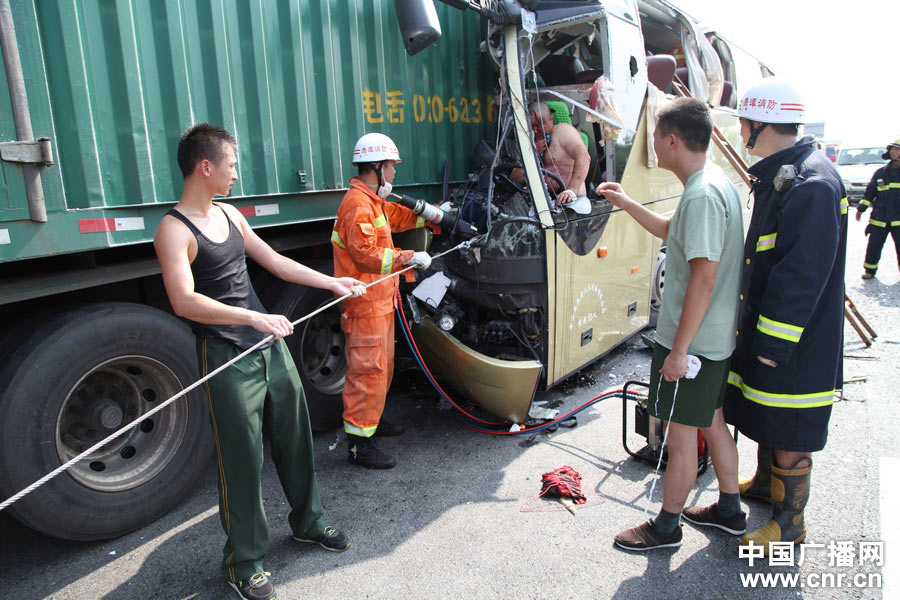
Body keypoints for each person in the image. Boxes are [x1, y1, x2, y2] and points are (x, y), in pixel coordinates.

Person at [154, 124, 365, 600]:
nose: (236, 171)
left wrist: (330, 283)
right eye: (230, 163)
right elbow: (184, 301)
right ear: (205, 167)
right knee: (242, 462)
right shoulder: (173, 230)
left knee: (296, 439)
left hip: (268, 349)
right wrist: (254, 315)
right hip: (226, 357)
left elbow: (273, 261)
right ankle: (244, 562)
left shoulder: (229, 214)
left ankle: (309, 524)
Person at [599, 97, 745, 551]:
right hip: (714, 339)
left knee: (681, 439)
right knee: (711, 421)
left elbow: (704, 277)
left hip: (693, 343)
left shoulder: (701, 194)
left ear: (673, 140)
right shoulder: (713, 183)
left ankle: (665, 527)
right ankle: (730, 509)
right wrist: (625, 202)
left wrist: (679, 351)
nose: (653, 148)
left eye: (655, 139)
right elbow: (671, 231)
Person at [723, 79, 847, 553]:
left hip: (795, 343)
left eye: (742, 124)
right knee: (767, 412)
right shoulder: (786, 173)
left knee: (791, 423)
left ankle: (790, 521)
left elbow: (800, 277)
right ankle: (763, 482)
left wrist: (772, 344)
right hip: (773, 332)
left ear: (758, 125)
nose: (738, 131)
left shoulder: (811, 182)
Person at [331, 132, 433, 469]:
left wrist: (434, 215)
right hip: (364, 307)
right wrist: (409, 256)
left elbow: (397, 217)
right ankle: (359, 445)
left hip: (379, 303)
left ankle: (371, 422)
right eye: (390, 166)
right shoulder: (357, 206)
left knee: (382, 370)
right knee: (367, 373)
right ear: (376, 166)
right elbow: (364, 256)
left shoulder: (372, 201)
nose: (393, 172)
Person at [529, 101, 592, 213]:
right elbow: (516, 177)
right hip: (545, 206)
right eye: (531, 126)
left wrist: (572, 189)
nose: (535, 130)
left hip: (572, 204)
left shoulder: (563, 131)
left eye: (539, 124)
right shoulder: (529, 142)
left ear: (551, 120)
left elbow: (584, 157)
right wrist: (535, 153)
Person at [856, 137, 900, 279]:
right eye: (893, 149)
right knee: (874, 246)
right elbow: (870, 192)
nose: (895, 152)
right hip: (879, 218)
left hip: (899, 220)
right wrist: (861, 208)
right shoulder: (881, 173)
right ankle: (870, 270)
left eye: (898, 150)